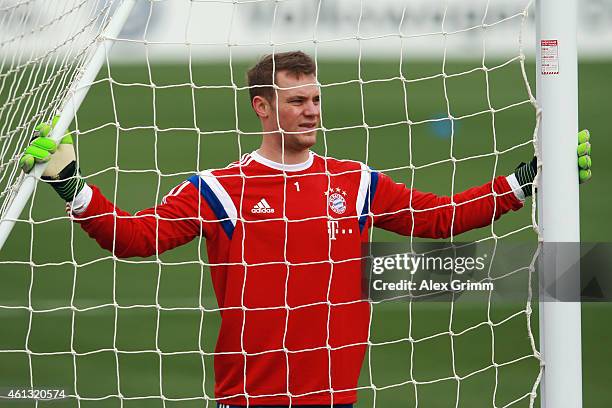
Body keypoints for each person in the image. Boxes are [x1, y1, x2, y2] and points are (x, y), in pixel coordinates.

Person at [20, 51, 592, 408]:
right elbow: (137, 239)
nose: (312, 111)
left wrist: (525, 180)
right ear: (262, 108)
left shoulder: (358, 183)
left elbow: (438, 217)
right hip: (247, 400)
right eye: (297, 101)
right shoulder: (217, 190)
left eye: (316, 99)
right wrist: (71, 185)